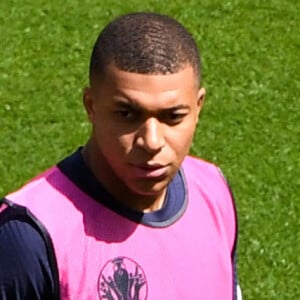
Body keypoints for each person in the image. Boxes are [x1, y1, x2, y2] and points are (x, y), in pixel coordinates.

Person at [0, 12, 241, 300]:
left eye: (173, 117)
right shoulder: (27, 235)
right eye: (127, 114)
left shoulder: (212, 192)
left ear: (198, 107)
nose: (151, 141)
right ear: (91, 106)